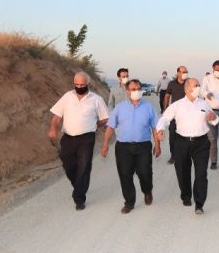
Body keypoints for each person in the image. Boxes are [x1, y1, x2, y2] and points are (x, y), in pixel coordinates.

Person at [156, 78, 219, 215]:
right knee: (182, 172)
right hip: (181, 142)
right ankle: (186, 196)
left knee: (201, 174)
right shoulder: (177, 105)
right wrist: (160, 129)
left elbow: (215, 119)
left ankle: (199, 203)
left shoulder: (204, 103)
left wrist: (213, 117)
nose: (198, 87)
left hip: (201, 142)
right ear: (187, 89)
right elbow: (164, 118)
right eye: (196, 85)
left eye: (199, 85)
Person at [47, 72, 109, 210]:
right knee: (68, 165)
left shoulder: (96, 99)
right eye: (77, 84)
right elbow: (57, 116)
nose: (79, 87)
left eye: (82, 85)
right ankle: (78, 185)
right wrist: (53, 128)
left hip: (86, 138)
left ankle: (79, 199)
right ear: (73, 83)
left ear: (88, 84)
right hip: (68, 138)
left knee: (84, 165)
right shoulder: (67, 97)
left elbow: (105, 118)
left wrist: (94, 124)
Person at [100, 79, 160, 214]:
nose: (137, 91)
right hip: (123, 147)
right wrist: (105, 144)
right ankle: (129, 202)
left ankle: (147, 191)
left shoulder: (149, 107)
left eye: (139, 89)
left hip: (143, 146)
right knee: (125, 175)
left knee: (145, 172)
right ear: (127, 91)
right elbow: (110, 127)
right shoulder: (119, 108)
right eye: (133, 89)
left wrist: (157, 145)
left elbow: (155, 128)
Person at [163, 66, 188, 164]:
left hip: (186, 114)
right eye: (183, 72)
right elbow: (167, 96)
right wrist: (165, 108)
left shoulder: (188, 83)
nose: (185, 73)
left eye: (186, 71)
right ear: (178, 73)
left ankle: (185, 155)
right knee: (172, 135)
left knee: (185, 135)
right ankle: (173, 155)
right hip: (174, 114)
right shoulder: (171, 83)